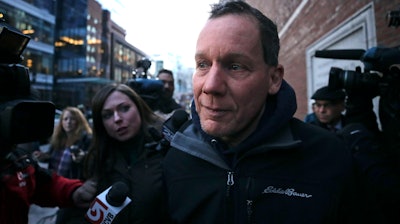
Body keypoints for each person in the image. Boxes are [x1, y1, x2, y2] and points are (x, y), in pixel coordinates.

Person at [163, 1, 359, 223]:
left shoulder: (328, 158)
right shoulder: (176, 158)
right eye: (203, 64)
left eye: (235, 66)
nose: (210, 85)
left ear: (274, 79)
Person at [83, 83, 170, 223]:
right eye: (107, 115)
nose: (117, 118)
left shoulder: (167, 152)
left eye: (124, 108)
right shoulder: (96, 160)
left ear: (139, 108)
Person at [33, 106, 93, 223]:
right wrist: (43, 156)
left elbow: (92, 159)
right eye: (65, 119)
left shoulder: (86, 138)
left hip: (74, 186)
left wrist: (83, 157)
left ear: (79, 121)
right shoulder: (58, 138)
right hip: (57, 184)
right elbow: (51, 157)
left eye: (72, 119)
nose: (68, 122)